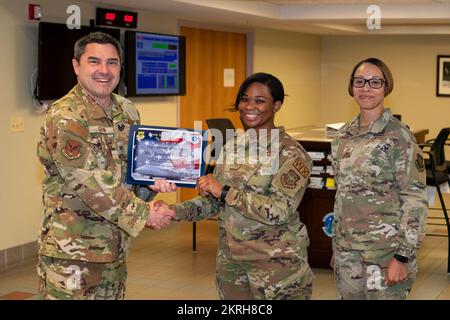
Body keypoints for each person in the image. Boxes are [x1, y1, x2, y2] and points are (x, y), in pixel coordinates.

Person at [36, 32, 176, 300]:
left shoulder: (127, 110)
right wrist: (145, 213)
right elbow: (89, 183)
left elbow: (132, 172)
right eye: (94, 61)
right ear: (77, 66)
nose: (104, 70)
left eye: (112, 62)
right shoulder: (66, 116)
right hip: (73, 253)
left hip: (115, 247)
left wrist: (151, 184)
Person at [152, 72, 314, 300]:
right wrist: (173, 212)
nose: (250, 106)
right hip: (231, 264)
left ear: (276, 105)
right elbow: (214, 202)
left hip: (275, 266)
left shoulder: (291, 154)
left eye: (260, 101)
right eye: (245, 99)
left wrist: (226, 191)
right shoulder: (233, 147)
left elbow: (279, 211)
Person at [330, 58, 428, 299]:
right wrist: (337, 247)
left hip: (385, 255)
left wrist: (402, 256)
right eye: (360, 81)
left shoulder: (399, 137)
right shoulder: (343, 136)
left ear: (386, 87)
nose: (366, 88)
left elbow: (415, 199)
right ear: (351, 86)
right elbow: (342, 196)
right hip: (347, 255)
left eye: (375, 82)